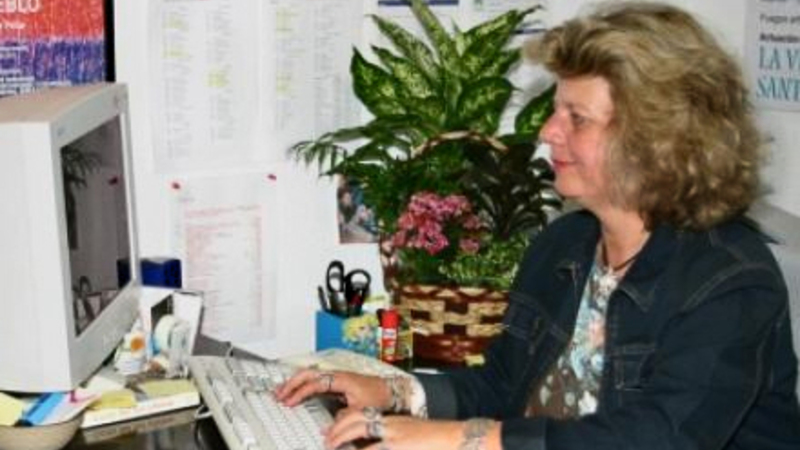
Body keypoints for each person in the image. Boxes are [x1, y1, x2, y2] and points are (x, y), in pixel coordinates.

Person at [275, 2, 800, 449]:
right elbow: (502, 385)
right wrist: (396, 392)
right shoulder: (564, 244)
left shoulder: (729, 280)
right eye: (555, 111)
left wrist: (463, 439)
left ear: (655, 140)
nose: (548, 132)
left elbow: (655, 439)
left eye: (577, 118)